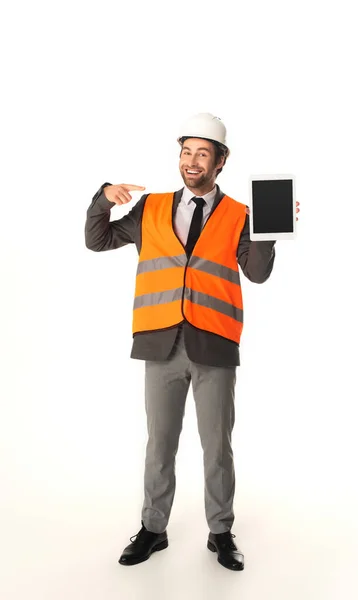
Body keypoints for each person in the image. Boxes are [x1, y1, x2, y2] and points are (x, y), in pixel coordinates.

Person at [85, 112, 300, 571]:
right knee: (159, 444)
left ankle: (220, 532)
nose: (192, 161)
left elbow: (258, 273)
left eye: (203, 153)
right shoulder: (152, 208)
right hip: (160, 343)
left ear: (221, 161)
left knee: (217, 446)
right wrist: (103, 197)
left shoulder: (242, 214)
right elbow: (97, 239)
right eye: (187, 152)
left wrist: (269, 230)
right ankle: (153, 528)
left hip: (215, 345)